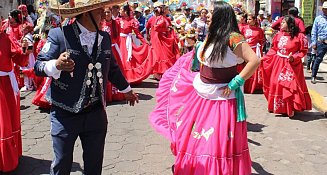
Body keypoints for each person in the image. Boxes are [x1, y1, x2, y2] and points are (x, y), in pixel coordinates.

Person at [149, 1, 259, 174]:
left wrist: (236, 82)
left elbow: (254, 60)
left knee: (216, 141)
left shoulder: (233, 37)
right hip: (201, 95)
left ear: (221, 15)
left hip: (222, 98)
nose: (207, 15)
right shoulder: (212, 36)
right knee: (193, 133)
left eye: (211, 12)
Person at [34, 0, 138, 174]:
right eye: (99, 12)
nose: (104, 16)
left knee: (94, 165)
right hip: (65, 113)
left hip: (95, 113)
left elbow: (111, 68)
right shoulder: (59, 35)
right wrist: (56, 65)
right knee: (62, 164)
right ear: (85, 14)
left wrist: (127, 90)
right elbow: (39, 66)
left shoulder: (104, 37)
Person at [261, 15, 311, 117]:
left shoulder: (300, 36)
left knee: (289, 86)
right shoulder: (278, 35)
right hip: (278, 62)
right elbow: (274, 49)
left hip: (292, 64)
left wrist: (294, 57)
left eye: (283, 22)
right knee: (276, 83)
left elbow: (303, 51)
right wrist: (265, 58)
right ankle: (278, 107)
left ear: (290, 25)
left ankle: (290, 108)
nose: (281, 24)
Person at [0, 18, 29, 173]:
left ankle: (6, 160)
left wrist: (24, 49)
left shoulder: (5, 38)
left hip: (4, 86)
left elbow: (19, 59)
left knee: (5, 123)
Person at [117, 4, 152, 84]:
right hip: (119, 42)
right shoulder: (118, 20)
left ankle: (130, 78)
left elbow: (138, 34)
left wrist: (145, 42)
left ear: (125, 11)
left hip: (127, 42)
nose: (120, 11)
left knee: (128, 60)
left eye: (121, 9)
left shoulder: (132, 21)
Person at [101, 6, 126, 103]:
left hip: (114, 49)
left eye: (108, 12)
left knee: (115, 69)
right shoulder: (100, 23)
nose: (107, 14)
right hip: (103, 50)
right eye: (105, 12)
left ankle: (116, 93)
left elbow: (118, 38)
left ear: (111, 13)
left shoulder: (116, 24)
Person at [240, 13, 265, 93]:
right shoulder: (244, 28)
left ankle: (252, 87)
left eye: (250, 19)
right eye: (247, 19)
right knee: (244, 67)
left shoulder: (259, 30)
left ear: (254, 20)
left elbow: (261, 41)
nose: (248, 21)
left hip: (254, 51)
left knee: (253, 68)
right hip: (245, 50)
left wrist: (260, 52)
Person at [310, 1, 327, 84]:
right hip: (321, 43)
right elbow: (314, 31)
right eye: (325, 9)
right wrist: (313, 43)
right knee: (318, 59)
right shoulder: (318, 19)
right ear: (323, 9)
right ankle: (313, 76)